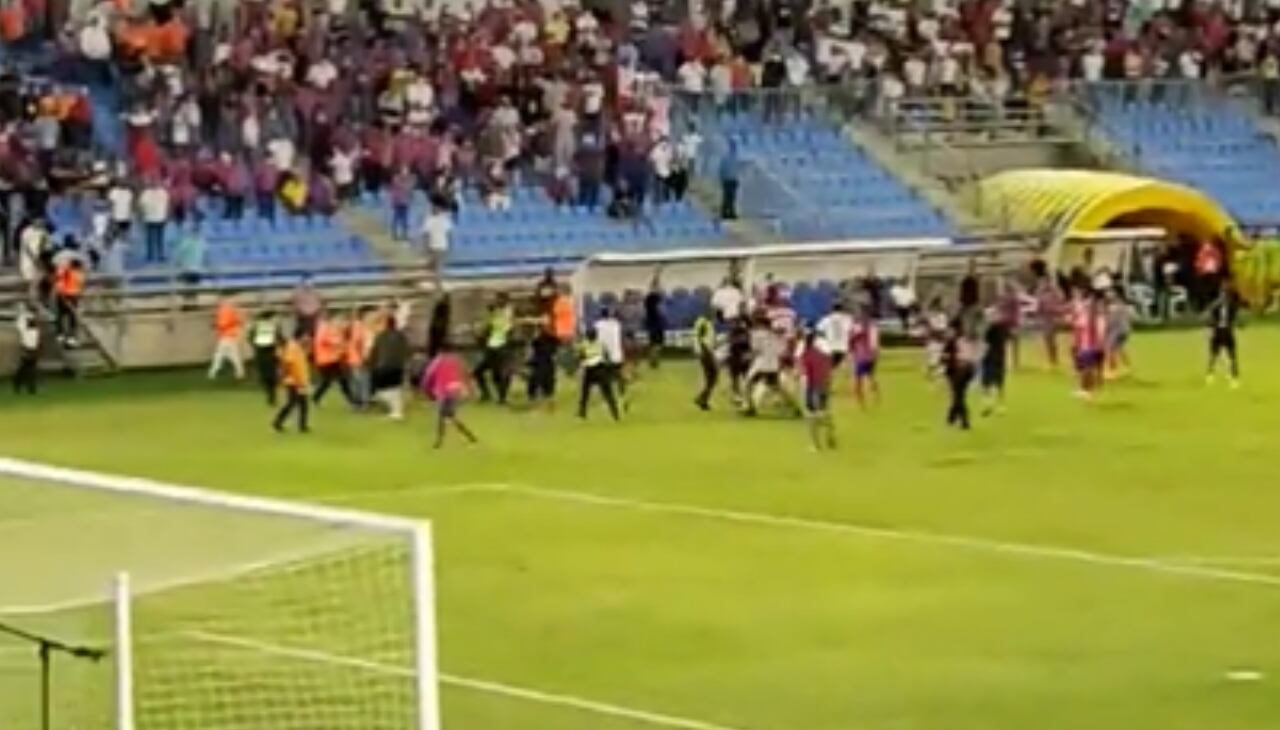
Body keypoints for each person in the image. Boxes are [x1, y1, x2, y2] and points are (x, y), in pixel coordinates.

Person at [421, 341, 479, 448]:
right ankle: (469, 437)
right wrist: (470, 390)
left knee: (443, 416)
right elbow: (467, 374)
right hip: (456, 390)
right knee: (449, 416)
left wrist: (426, 390)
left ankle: (439, 441)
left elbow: (428, 376)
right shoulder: (458, 360)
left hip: (443, 392)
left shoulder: (437, 361)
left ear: (440, 351)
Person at [473, 295, 514, 404]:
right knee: (479, 372)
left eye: (500, 300)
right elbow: (486, 330)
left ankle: (501, 398)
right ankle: (489, 395)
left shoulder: (506, 313)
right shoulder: (494, 314)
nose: (497, 302)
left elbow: (507, 329)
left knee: (501, 373)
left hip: (501, 347)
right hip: (492, 347)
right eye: (497, 300)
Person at [800, 329, 836, 450]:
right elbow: (829, 370)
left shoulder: (806, 355)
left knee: (811, 416)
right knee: (823, 411)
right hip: (824, 385)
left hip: (813, 387)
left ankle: (816, 445)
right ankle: (830, 432)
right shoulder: (823, 355)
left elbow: (806, 375)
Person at [369, 316, 411, 420]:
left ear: (386, 324)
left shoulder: (381, 336)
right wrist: (406, 362)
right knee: (395, 389)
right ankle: (396, 410)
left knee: (381, 391)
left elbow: (374, 351)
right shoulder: (401, 336)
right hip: (398, 366)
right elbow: (407, 350)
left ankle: (396, 411)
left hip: (384, 366)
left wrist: (371, 364)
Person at [577, 326, 621, 421]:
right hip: (600, 369)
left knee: (585, 393)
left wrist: (582, 364)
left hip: (589, 370)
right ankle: (615, 414)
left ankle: (582, 412)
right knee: (608, 393)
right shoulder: (601, 344)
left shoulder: (584, 345)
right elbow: (607, 357)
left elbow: (581, 358)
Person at [273, 331, 312, 434]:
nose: (307, 338)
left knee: (301, 404)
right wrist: (292, 378)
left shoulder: (296, 347)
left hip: (299, 380)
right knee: (293, 403)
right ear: (300, 337)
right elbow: (288, 363)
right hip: (294, 381)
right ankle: (278, 422)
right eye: (306, 336)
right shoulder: (292, 347)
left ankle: (302, 426)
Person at [1070, 290, 1106, 399]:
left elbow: (1082, 327)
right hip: (1094, 346)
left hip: (1089, 346)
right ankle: (1088, 390)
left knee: (1087, 369)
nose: (1088, 303)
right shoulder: (1097, 316)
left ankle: (1086, 391)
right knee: (1088, 369)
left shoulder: (1092, 316)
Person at [313, 312, 355, 406]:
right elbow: (322, 340)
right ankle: (316, 397)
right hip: (325, 360)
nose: (340, 322)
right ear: (332, 319)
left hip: (334, 359)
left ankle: (351, 400)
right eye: (339, 320)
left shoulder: (336, 329)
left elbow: (341, 342)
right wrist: (337, 343)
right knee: (330, 381)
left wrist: (343, 349)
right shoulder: (324, 327)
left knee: (341, 380)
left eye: (341, 320)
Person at [942, 319, 976, 430]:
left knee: (958, 396)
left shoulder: (954, 340)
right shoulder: (966, 339)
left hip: (958, 371)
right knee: (958, 395)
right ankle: (951, 418)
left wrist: (945, 361)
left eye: (950, 329)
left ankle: (964, 421)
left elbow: (945, 356)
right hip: (967, 370)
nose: (948, 331)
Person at [1206, 282, 1242, 387]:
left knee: (1232, 355)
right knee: (1214, 355)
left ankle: (1234, 377)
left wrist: (1238, 324)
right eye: (1222, 294)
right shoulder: (1215, 306)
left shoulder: (1232, 306)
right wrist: (1212, 327)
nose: (1224, 297)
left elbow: (1236, 318)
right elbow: (1210, 318)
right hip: (1218, 331)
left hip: (1228, 331)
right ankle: (1210, 374)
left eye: (1225, 294)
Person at [208, 293, 245, 380]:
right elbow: (237, 322)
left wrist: (215, 325)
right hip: (230, 336)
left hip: (226, 336)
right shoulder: (230, 310)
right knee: (231, 355)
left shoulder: (225, 311)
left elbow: (223, 324)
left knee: (220, 355)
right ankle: (239, 372)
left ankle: (213, 372)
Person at [595, 306, 627, 406]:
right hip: (617, 355)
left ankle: (607, 399)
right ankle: (622, 396)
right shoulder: (616, 324)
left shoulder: (598, 325)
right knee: (619, 376)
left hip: (604, 356)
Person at [981, 308, 1011, 415]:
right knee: (989, 382)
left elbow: (985, 344)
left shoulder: (996, 328)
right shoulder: (995, 328)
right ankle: (989, 404)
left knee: (997, 382)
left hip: (995, 358)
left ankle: (997, 405)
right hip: (991, 358)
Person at [849, 306, 880, 408]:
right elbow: (875, 343)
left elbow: (852, 340)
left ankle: (862, 404)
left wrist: (851, 350)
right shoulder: (873, 326)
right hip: (870, 356)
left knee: (858, 381)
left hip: (861, 357)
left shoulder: (858, 327)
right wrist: (875, 354)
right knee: (871, 377)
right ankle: (876, 399)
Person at [251, 310, 282, 406]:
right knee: (272, 376)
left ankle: (271, 396)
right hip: (271, 353)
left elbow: (251, 338)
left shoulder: (256, 326)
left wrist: (256, 346)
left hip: (260, 354)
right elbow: (279, 338)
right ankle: (272, 396)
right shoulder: (273, 327)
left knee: (266, 376)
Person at [420, 199, 452, 288]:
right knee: (433, 266)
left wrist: (449, 245)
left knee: (439, 266)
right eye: (434, 208)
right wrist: (426, 246)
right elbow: (426, 234)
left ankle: (438, 284)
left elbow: (448, 233)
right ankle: (435, 282)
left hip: (442, 245)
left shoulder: (444, 219)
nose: (436, 209)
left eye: (438, 208)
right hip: (432, 245)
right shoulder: (429, 219)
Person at [53, 257, 85, 346]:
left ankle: (62, 334)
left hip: (66, 295)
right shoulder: (76, 273)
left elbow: (59, 281)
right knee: (70, 316)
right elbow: (80, 285)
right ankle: (69, 336)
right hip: (70, 296)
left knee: (62, 315)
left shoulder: (65, 270)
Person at [346, 307, 373, 409]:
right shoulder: (359, 326)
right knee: (362, 381)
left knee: (360, 381)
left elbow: (357, 342)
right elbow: (358, 342)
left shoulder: (358, 326)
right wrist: (363, 356)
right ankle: (362, 402)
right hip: (359, 358)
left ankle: (359, 402)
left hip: (357, 358)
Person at [692, 309, 718, 410]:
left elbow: (708, 338)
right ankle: (701, 398)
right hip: (705, 351)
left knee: (711, 377)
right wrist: (700, 350)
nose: (713, 314)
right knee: (713, 375)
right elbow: (698, 337)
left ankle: (703, 400)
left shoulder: (708, 322)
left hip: (707, 351)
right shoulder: (702, 322)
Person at [1105, 288, 1132, 379]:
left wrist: (1107, 328)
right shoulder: (1124, 304)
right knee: (1120, 349)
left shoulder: (1116, 305)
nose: (1109, 294)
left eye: (1111, 292)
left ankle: (1113, 372)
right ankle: (1128, 368)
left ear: (1116, 294)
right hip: (1125, 329)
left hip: (1117, 330)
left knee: (1110, 349)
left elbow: (1113, 320)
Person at [13, 304, 39, 395]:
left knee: (29, 367)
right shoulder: (24, 319)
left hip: (32, 346)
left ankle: (26, 385)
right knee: (27, 367)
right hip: (27, 346)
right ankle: (25, 385)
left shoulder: (29, 319)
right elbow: (21, 328)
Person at [643, 274, 666, 368]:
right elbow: (658, 290)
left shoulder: (648, 299)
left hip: (653, 324)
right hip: (656, 325)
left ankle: (653, 360)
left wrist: (656, 278)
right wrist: (656, 279)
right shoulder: (653, 299)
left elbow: (656, 288)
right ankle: (653, 360)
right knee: (657, 344)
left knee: (654, 344)